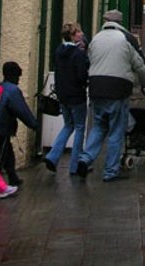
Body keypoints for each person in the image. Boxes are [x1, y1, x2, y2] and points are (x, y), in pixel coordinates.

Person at [76, 18, 145, 182]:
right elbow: (139, 64)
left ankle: (85, 158)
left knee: (99, 126)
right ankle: (110, 171)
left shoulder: (96, 39)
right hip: (117, 88)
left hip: (96, 87)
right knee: (116, 130)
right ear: (120, 24)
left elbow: (90, 60)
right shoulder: (124, 40)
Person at [44, 23, 89, 176]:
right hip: (76, 95)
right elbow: (82, 75)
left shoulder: (58, 51)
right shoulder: (78, 54)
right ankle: (75, 165)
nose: (81, 34)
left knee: (68, 125)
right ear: (72, 35)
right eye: (78, 32)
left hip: (63, 95)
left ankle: (52, 156)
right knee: (79, 127)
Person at [0, 62, 38, 187]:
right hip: (2, 128)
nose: (18, 80)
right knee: (0, 156)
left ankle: (13, 177)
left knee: (7, 153)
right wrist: (34, 124)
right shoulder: (12, 91)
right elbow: (22, 111)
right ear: (14, 76)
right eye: (18, 77)